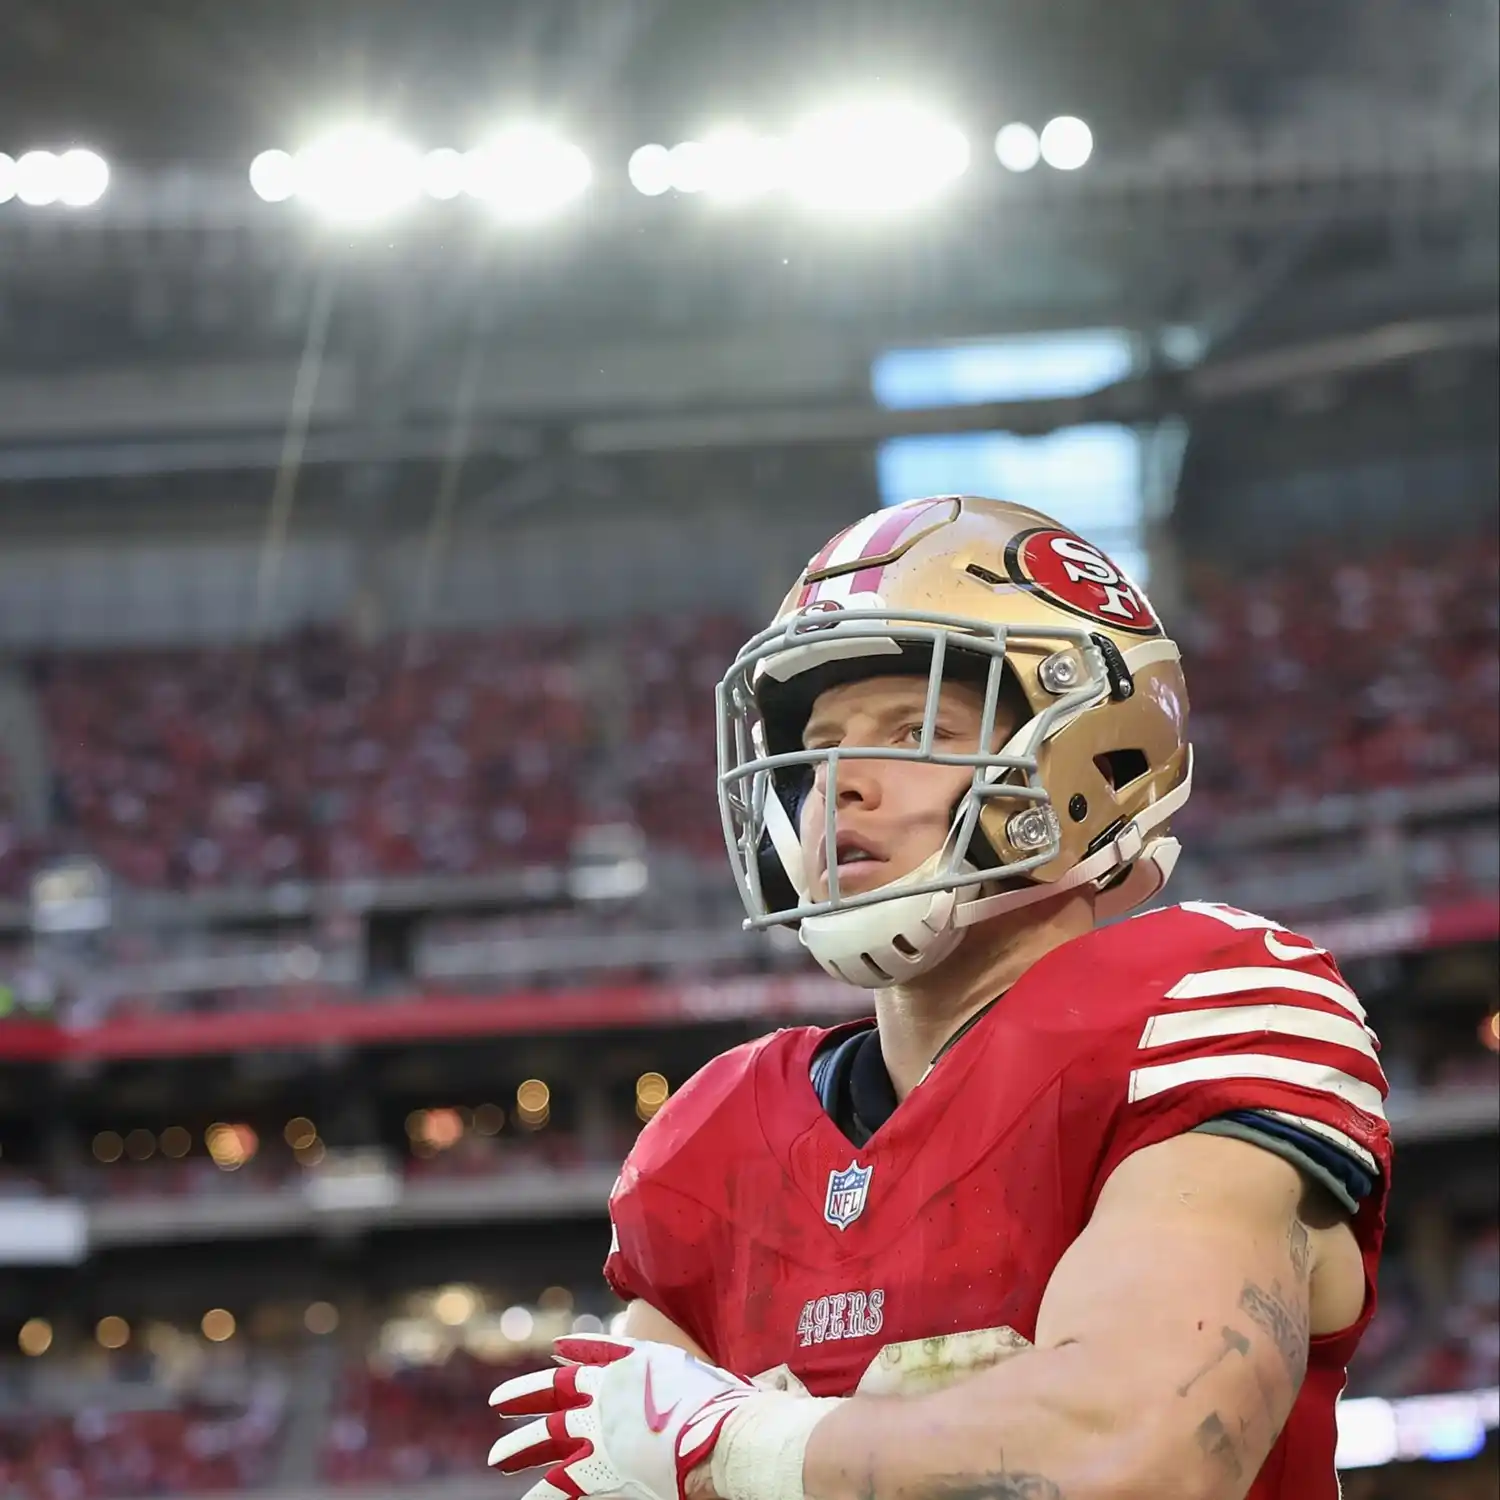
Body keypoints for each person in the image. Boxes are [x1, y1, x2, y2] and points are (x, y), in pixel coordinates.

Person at [489, 497, 1391, 1500]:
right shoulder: (715, 1139)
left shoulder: (1197, 1006)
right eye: (818, 745)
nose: (839, 783)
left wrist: (733, 1446)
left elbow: (1140, 1459)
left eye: (915, 728)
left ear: (1089, 755)